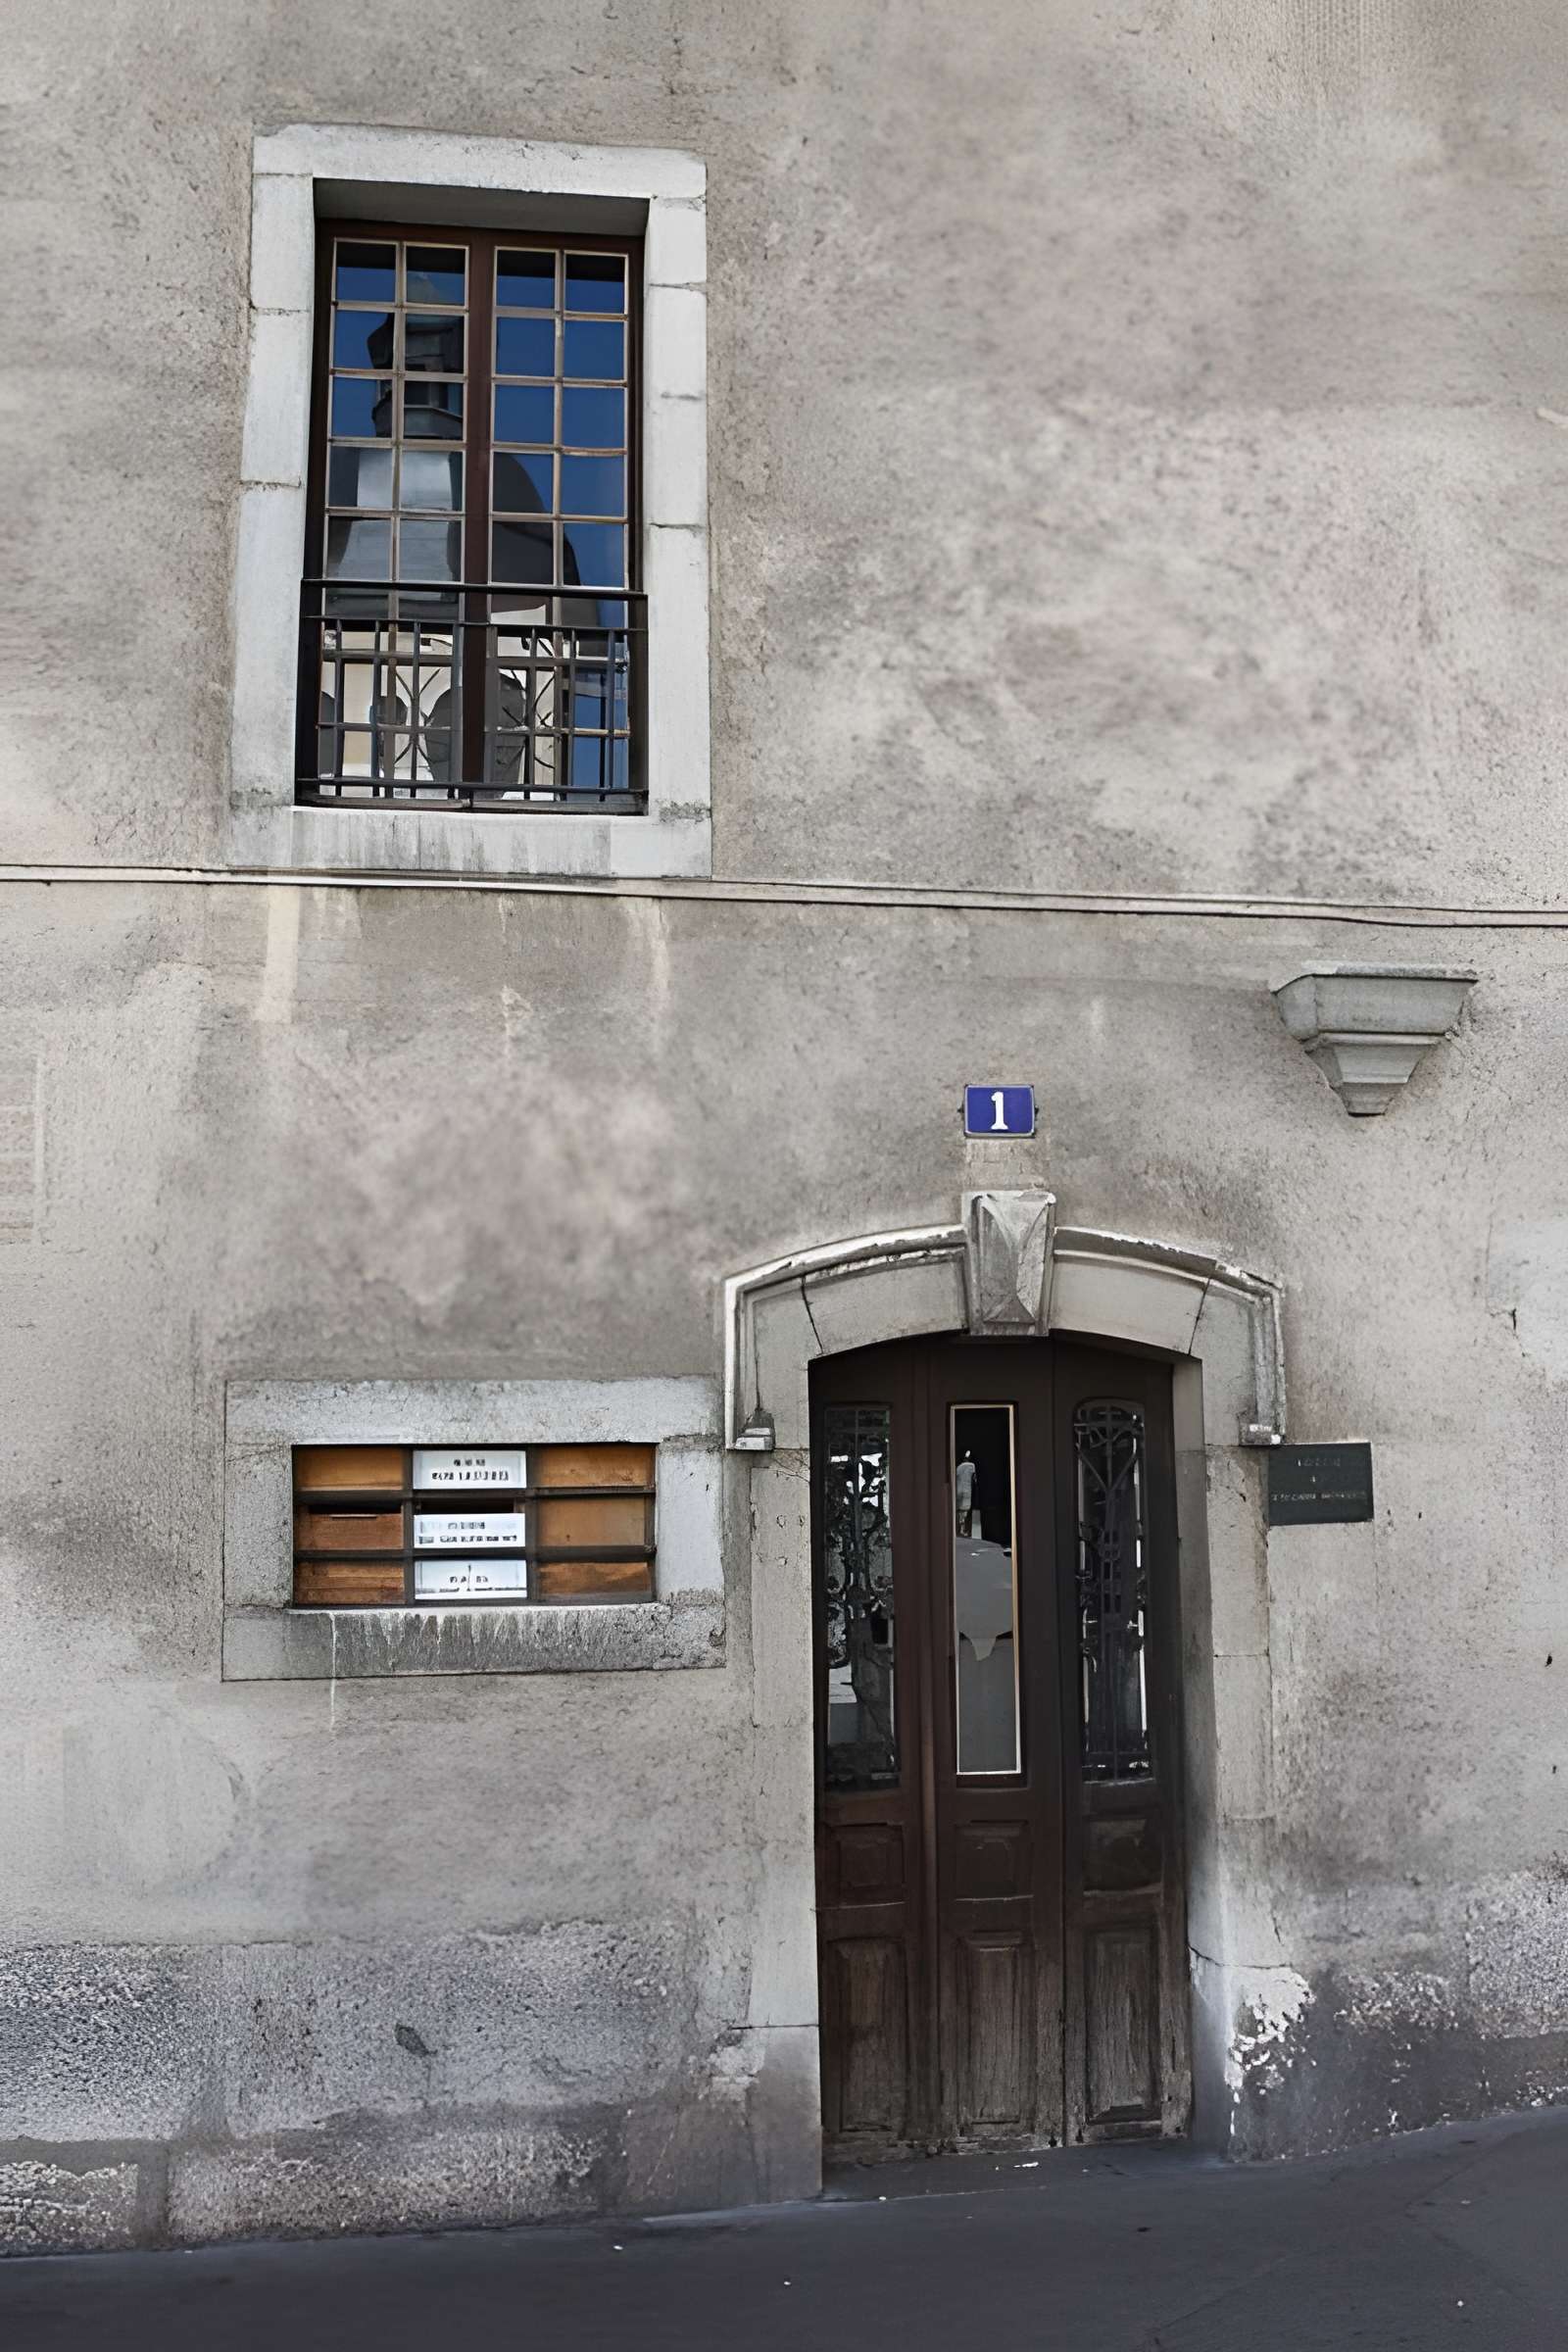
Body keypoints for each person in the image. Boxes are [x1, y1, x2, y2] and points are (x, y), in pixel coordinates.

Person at [956, 1449, 977, 1537]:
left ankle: (960, 1529)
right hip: (967, 1490)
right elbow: (974, 1479)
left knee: (960, 1510)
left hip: (959, 1490)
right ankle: (964, 1530)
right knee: (966, 1510)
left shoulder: (958, 1467)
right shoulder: (972, 1466)